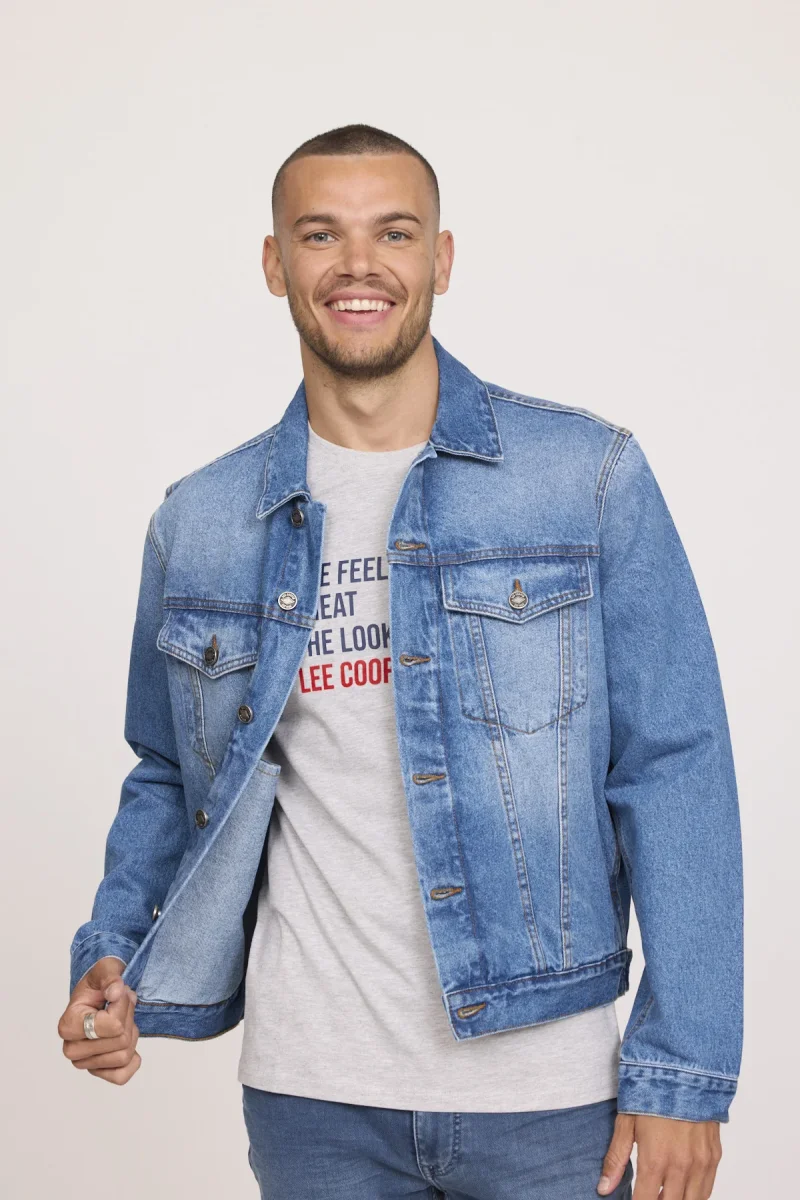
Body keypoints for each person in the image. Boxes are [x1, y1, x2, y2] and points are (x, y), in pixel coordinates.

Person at [58, 124, 743, 1200]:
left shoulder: (582, 477)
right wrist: (113, 949)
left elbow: (674, 768)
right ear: (274, 263)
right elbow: (168, 770)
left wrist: (684, 1071)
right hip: (310, 1099)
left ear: (441, 258)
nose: (357, 264)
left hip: (548, 1097)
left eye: (393, 232)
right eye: (319, 234)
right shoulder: (201, 521)